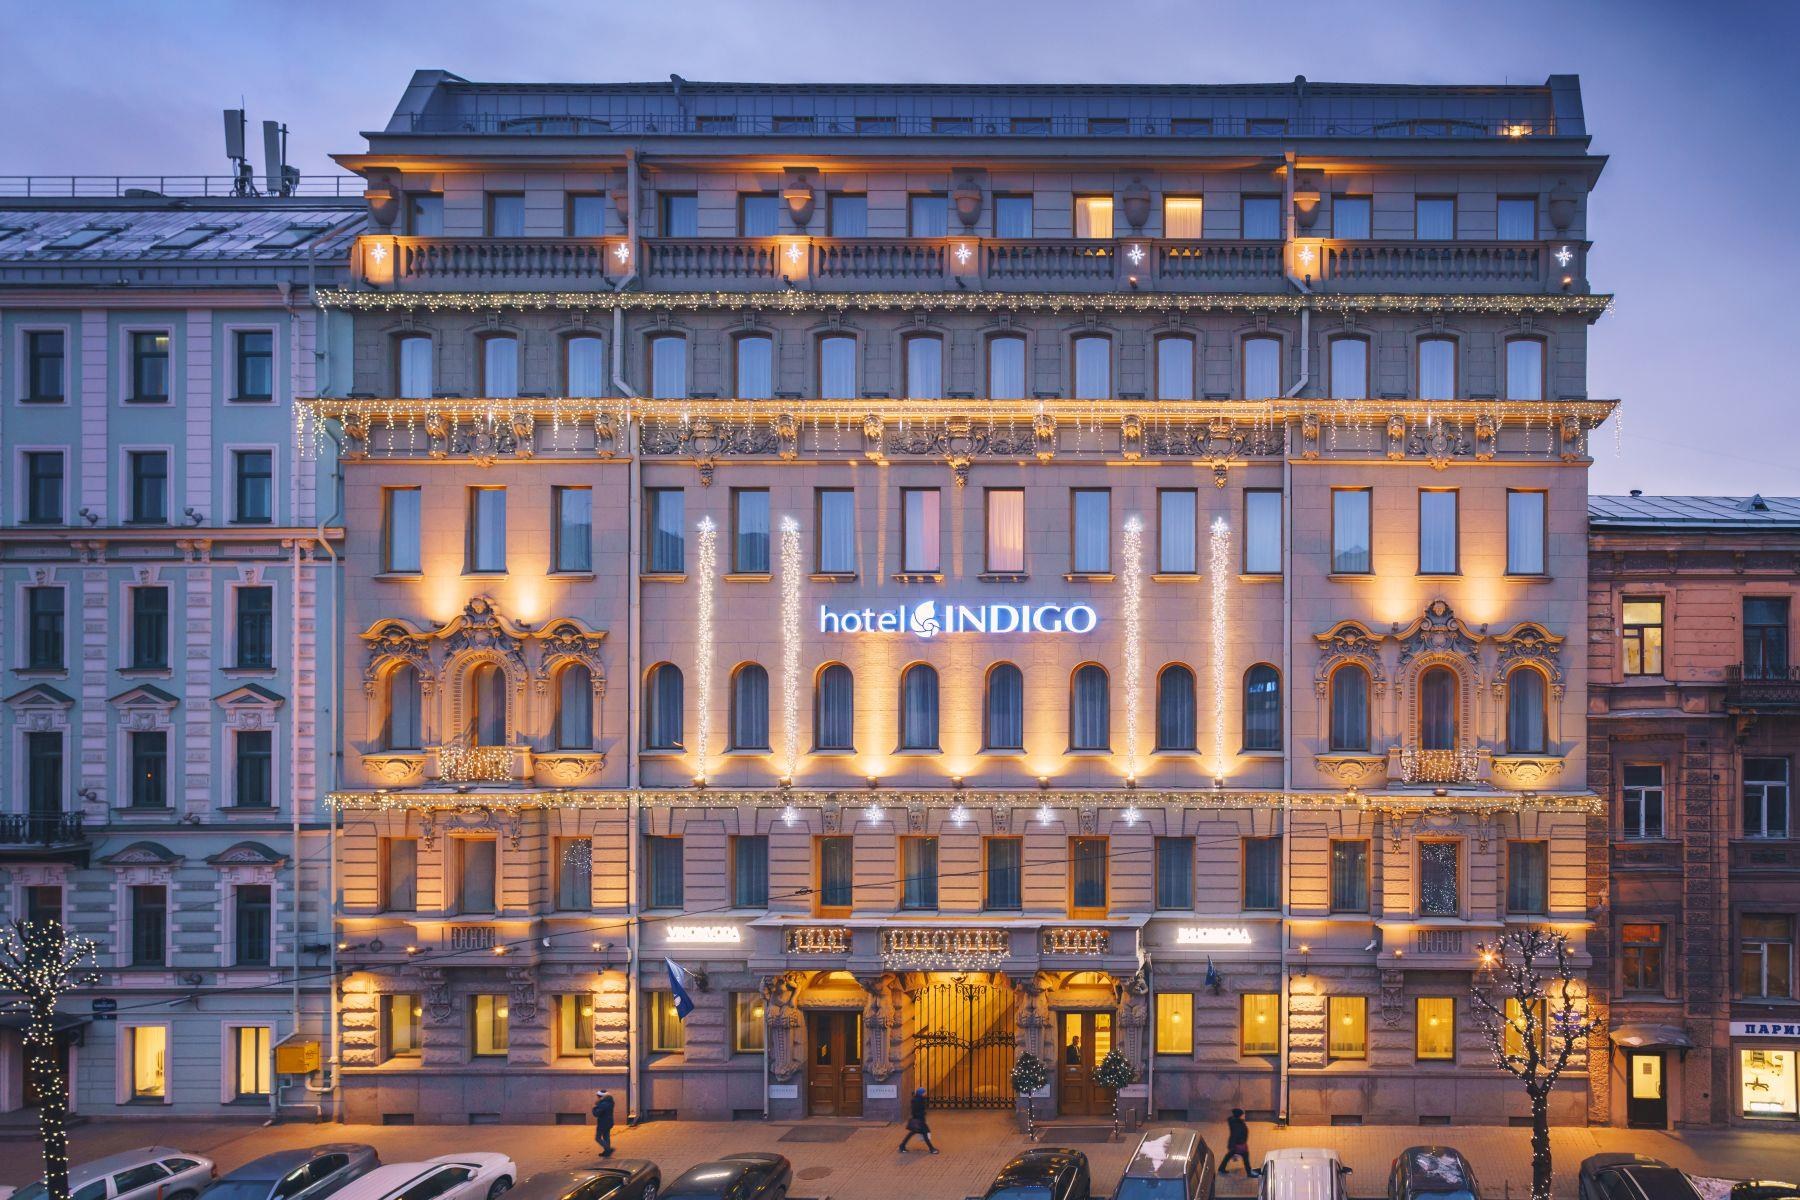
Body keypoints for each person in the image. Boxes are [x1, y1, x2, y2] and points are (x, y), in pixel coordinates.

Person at [898, 1086, 938, 1154]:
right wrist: (920, 1116)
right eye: (924, 1092)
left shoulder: (919, 1099)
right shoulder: (918, 1101)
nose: (925, 1093)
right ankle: (932, 1149)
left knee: (913, 1133)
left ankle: (902, 1146)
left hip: (919, 1120)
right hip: (919, 1120)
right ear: (921, 1093)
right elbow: (915, 1111)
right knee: (924, 1133)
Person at [1221, 1108, 1259, 1177]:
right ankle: (1249, 1172)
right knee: (1245, 1157)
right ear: (1239, 1115)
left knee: (1229, 1155)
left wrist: (1231, 1146)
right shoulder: (1238, 1124)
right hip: (1240, 1144)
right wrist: (1239, 1144)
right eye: (1242, 1115)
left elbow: (1234, 1135)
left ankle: (1221, 1168)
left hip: (1235, 1144)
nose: (1243, 1116)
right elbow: (1236, 1135)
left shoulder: (1232, 1121)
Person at [592, 1089, 616, 1158]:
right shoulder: (610, 1102)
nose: (597, 1098)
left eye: (598, 1096)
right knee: (606, 1137)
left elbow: (597, 1113)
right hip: (609, 1122)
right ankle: (606, 1152)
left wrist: (594, 1108)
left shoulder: (603, 1104)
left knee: (598, 1138)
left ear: (601, 1097)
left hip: (603, 1123)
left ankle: (608, 1149)